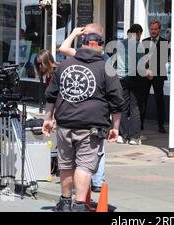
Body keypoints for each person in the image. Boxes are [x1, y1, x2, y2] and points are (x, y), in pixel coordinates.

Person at [43, 27, 123, 212]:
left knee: (66, 164)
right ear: (100, 48)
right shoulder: (106, 67)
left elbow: (51, 96)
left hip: (65, 123)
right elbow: (117, 101)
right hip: (91, 126)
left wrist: (48, 118)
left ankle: (64, 202)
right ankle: (79, 204)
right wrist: (115, 127)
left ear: (82, 45)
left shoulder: (64, 64)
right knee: (84, 166)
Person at [57, 24, 110, 193]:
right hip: (95, 113)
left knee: (91, 151)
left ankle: (91, 183)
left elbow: (63, 48)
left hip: (86, 112)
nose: (81, 37)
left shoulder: (91, 56)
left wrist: (73, 33)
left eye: (84, 35)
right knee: (95, 149)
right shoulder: (102, 58)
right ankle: (96, 181)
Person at [116, 24, 144, 145]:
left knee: (123, 107)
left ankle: (122, 135)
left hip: (121, 78)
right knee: (135, 108)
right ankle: (134, 137)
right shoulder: (138, 45)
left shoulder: (119, 44)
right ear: (137, 33)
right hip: (135, 78)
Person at [140, 20, 168, 133]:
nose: (153, 31)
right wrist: (147, 70)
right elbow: (141, 58)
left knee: (159, 100)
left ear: (159, 29)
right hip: (146, 75)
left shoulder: (164, 42)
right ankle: (140, 123)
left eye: (155, 29)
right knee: (143, 99)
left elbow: (164, 59)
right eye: (151, 29)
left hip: (158, 75)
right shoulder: (144, 41)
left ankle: (161, 124)